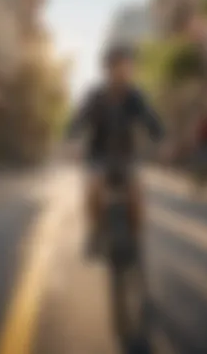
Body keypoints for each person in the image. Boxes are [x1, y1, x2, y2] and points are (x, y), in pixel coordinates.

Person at [66, 45, 168, 256]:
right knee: (93, 188)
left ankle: (135, 237)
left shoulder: (135, 96)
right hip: (98, 157)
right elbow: (78, 121)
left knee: (137, 192)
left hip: (126, 157)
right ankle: (95, 231)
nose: (123, 71)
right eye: (117, 66)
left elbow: (151, 121)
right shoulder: (95, 96)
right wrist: (72, 141)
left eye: (126, 66)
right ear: (107, 69)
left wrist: (162, 141)